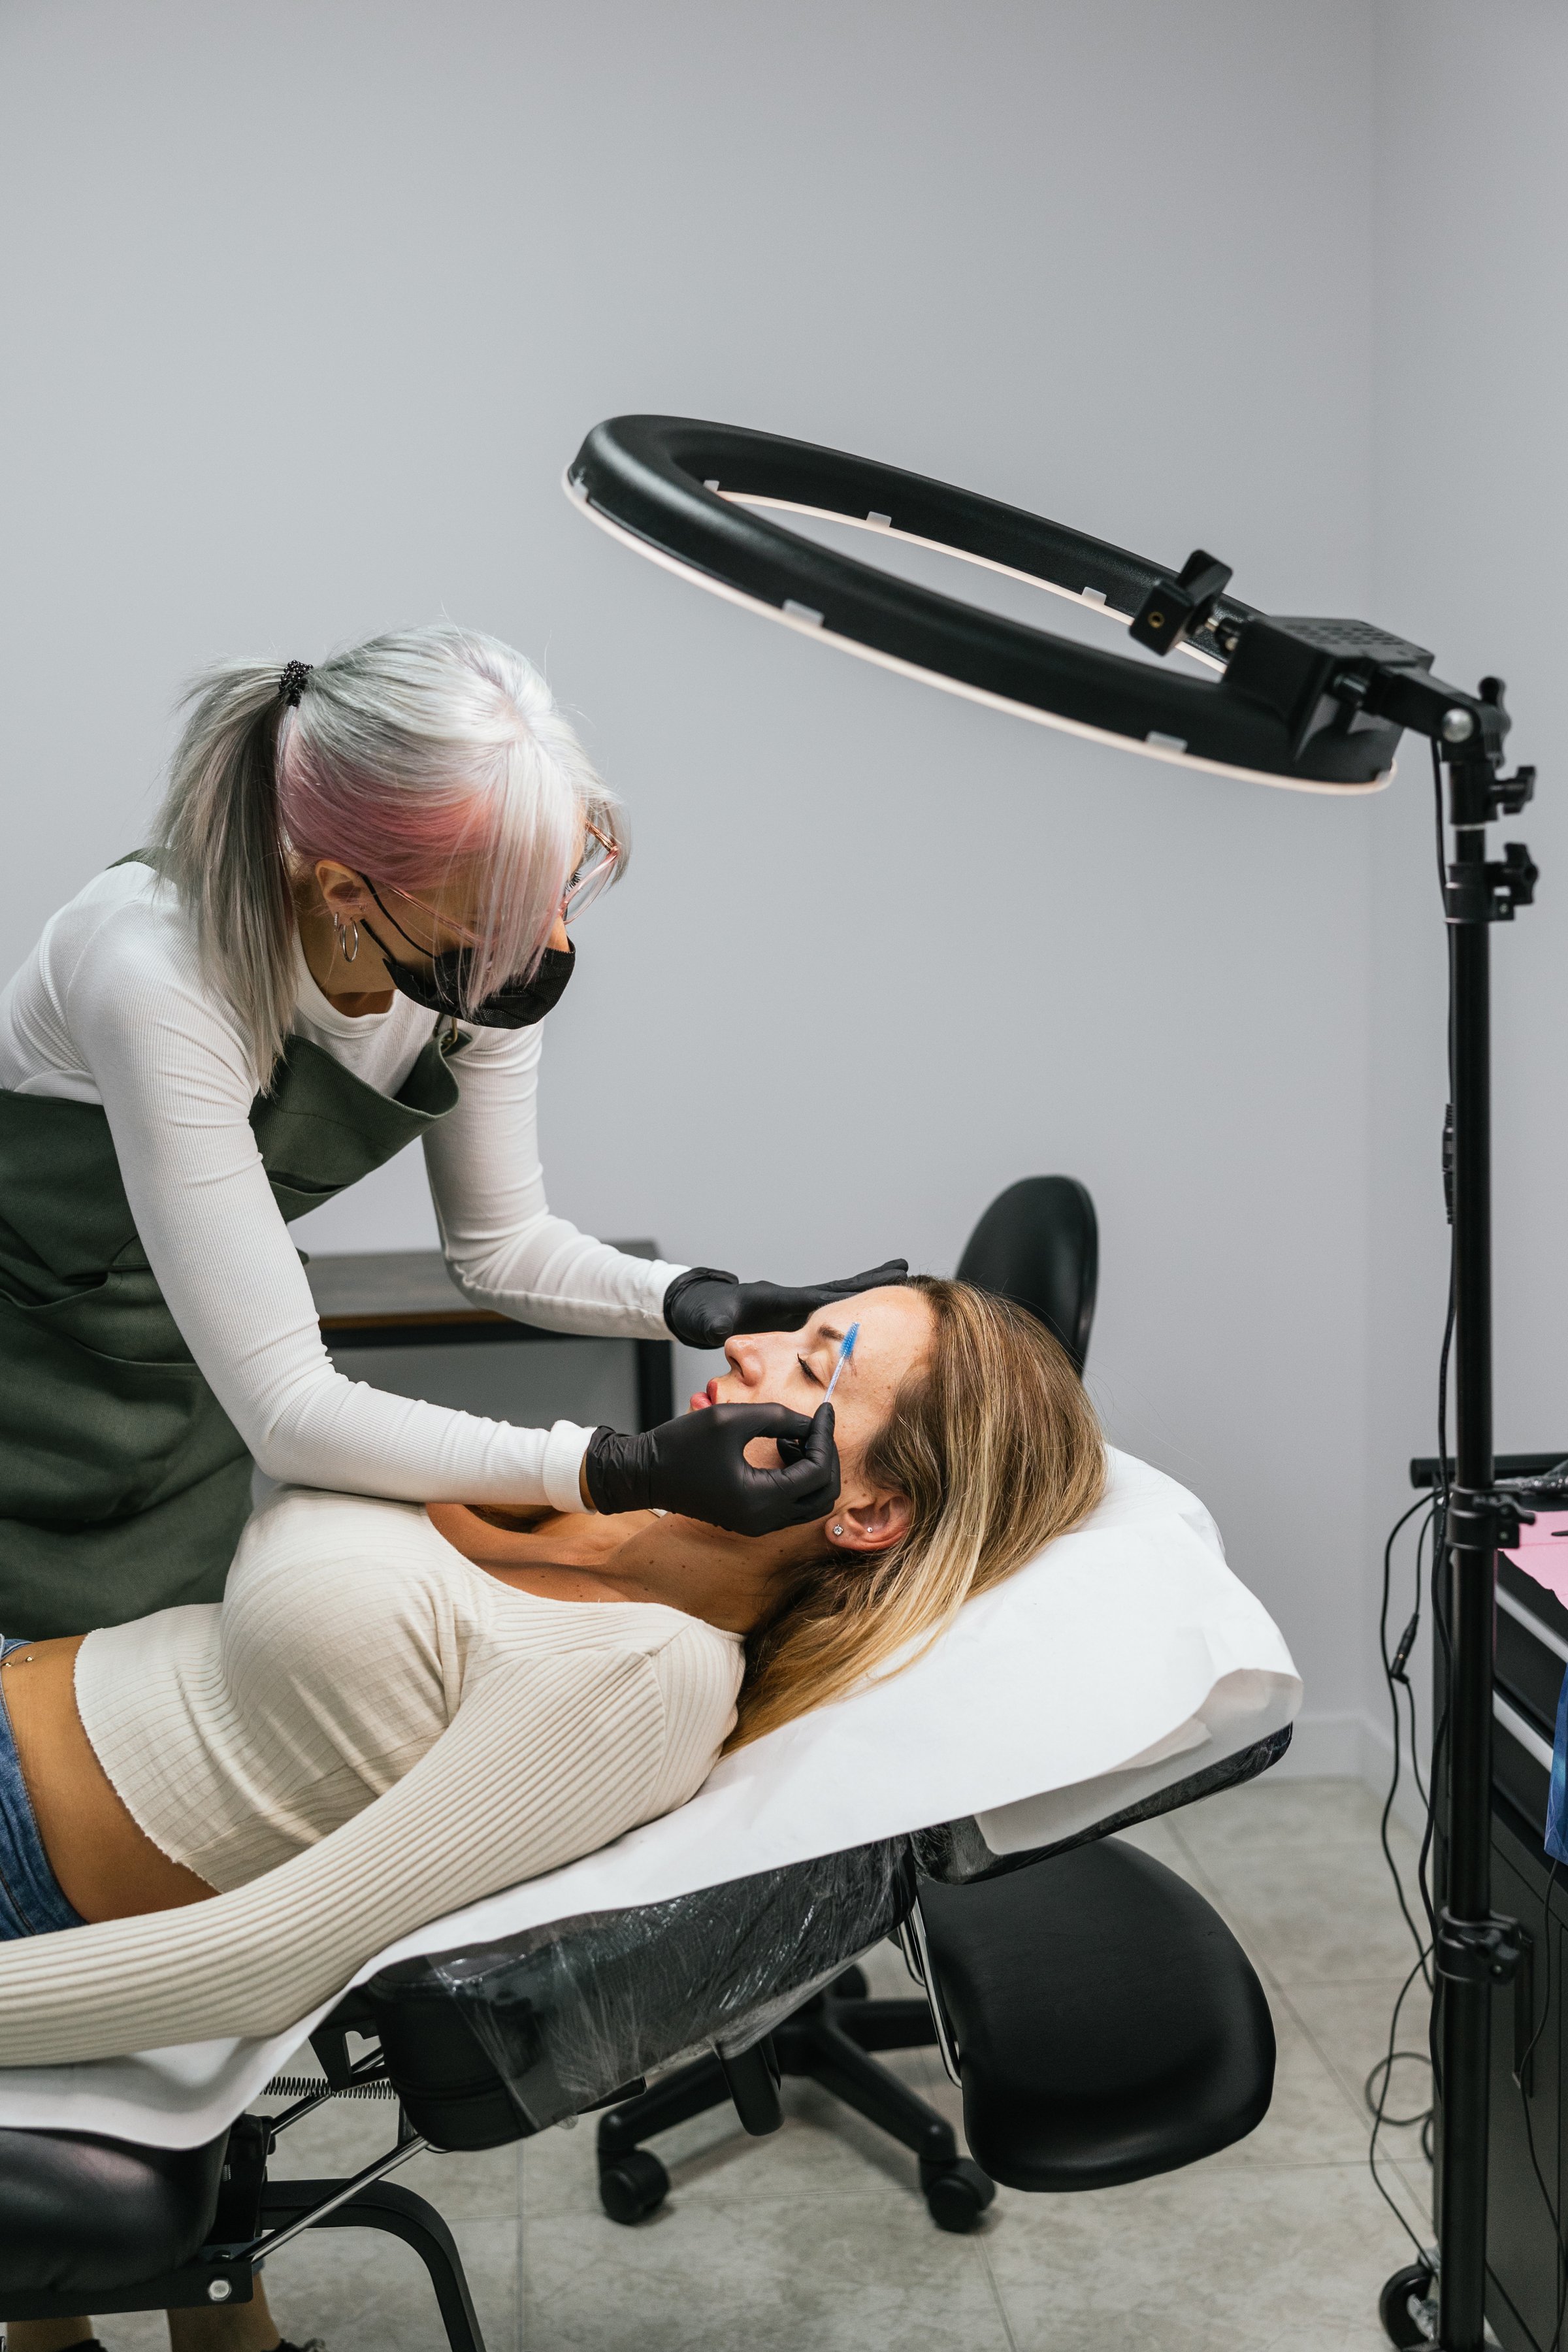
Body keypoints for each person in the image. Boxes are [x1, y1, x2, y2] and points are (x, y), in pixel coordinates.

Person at [0, 624, 904, 1641]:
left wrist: (692, 1299)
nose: (550, 948)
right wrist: (614, 1469)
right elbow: (293, 1409)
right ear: (347, 891)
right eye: (506, 921)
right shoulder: (154, 974)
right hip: (25, 1418)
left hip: (185, 1412)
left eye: (561, 895)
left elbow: (500, 1250)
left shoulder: (457, 970)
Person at [0, 1280, 1103, 2068]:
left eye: (814, 1364)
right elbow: (322, 1434)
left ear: (866, 1511)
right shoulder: (610, 1495)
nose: (746, 1352)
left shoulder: (645, 1679)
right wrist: (611, 1471)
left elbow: (268, 1962)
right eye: (791, 1328)